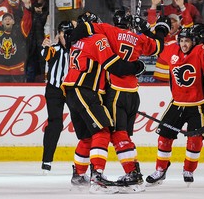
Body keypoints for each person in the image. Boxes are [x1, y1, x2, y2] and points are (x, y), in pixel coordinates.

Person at [75, 10, 170, 193]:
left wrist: (72, 36)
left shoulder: (108, 31)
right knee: (123, 135)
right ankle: (132, 173)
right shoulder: (138, 38)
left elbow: (86, 28)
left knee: (114, 134)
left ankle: (107, 176)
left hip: (116, 92)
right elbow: (158, 47)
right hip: (134, 94)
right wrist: (158, 29)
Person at [62, 21, 146, 194]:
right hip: (85, 90)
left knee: (87, 137)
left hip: (72, 91)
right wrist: (137, 66)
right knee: (103, 130)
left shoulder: (77, 41)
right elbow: (115, 66)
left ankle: (79, 175)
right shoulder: (98, 39)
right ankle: (97, 177)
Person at [145, 23, 204, 187]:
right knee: (164, 137)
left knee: (195, 140)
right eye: (182, 41)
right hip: (177, 104)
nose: (184, 44)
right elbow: (154, 46)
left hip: (197, 105)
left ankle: (188, 170)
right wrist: (146, 29)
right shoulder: (172, 50)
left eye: (187, 41)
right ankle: (160, 170)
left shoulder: (200, 51)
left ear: (194, 41)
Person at [40, 20, 74, 173]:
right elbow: (46, 54)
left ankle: (87, 161)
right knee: (55, 124)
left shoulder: (78, 49)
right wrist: (46, 45)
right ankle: (46, 160)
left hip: (73, 90)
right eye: (64, 34)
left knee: (83, 123)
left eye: (69, 34)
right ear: (59, 35)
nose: (66, 37)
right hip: (55, 90)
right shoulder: (54, 48)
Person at [0, 0, 32, 82]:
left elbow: (27, 22)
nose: (7, 20)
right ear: (2, 22)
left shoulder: (20, 32)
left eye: (10, 19)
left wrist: (27, 7)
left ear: (13, 22)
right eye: (5, 19)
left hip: (17, 71)